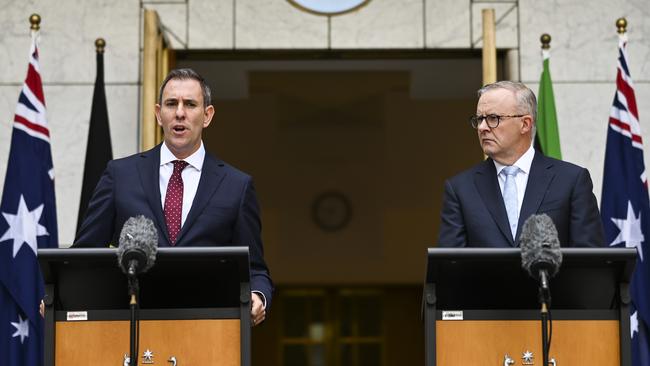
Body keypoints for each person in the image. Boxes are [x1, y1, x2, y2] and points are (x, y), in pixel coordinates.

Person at [74, 68, 272, 325]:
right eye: (171, 104)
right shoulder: (119, 175)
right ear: (159, 114)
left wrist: (257, 296)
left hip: (208, 333)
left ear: (207, 115)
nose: (180, 113)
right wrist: (58, 297)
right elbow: (83, 257)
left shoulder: (237, 186)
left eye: (190, 104)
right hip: (132, 329)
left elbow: (255, 269)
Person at [438, 81, 605, 247]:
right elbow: (450, 265)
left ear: (525, 124)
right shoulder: (461, 189)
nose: (482, 127)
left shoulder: (571, 181)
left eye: (493, 118)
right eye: (479, 119)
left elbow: (589, 261)